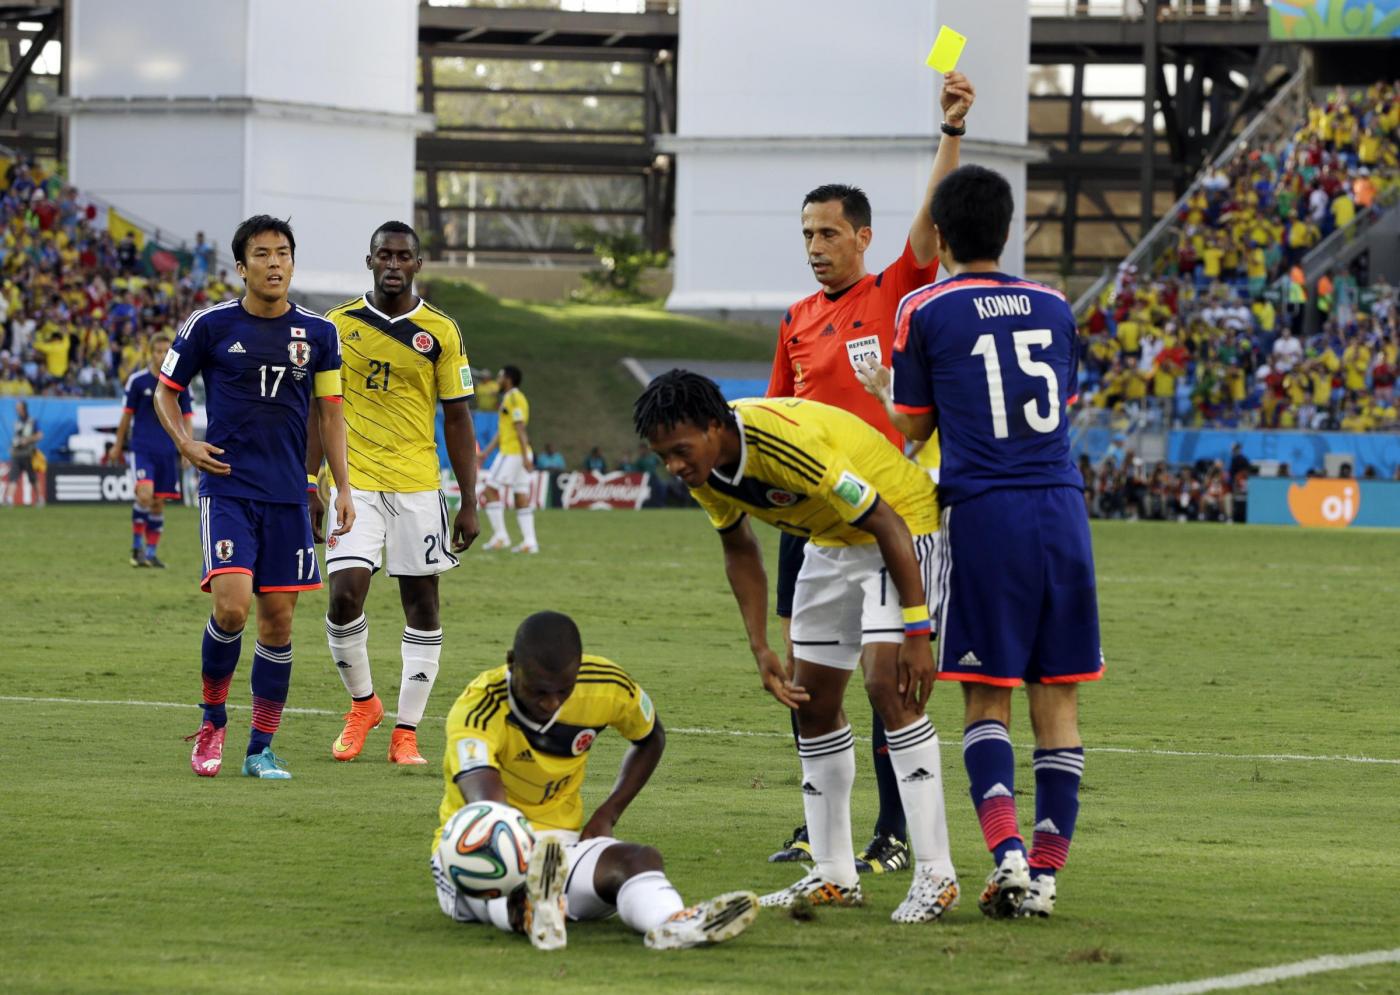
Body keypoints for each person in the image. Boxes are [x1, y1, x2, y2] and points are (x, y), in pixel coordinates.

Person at [861, 164, 1102, 920]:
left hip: (986, 513)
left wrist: (881, 390)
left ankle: (1009, 857)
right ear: (1008, 228)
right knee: (1058, 700)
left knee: (986, 696)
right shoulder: (1055, 305)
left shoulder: (924, 306)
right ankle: (1047, 877)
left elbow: (915, 425)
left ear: (939, 234)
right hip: (1062, 509)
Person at [634, 371, 958, 924]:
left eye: (681, 451)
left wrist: (917, 630)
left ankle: (936, 873)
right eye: (663, 456)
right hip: (831, 540)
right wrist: (760, 645)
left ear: (714, 427)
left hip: (901, 525)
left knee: (888, 686)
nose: (674, 467)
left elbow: (884, 520)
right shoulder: (704, 470)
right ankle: (834, 873)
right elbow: (739, 547)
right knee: (811, 701)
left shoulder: (784, 444)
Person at [764, 70, 976, 877]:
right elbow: (778, 418)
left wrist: (950, 131)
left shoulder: (893, 290)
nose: (815, 247)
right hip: (810, 523)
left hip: (888, 520)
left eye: (828, 233)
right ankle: (819, 833)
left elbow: (931, 220)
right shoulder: (795, 320)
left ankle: (892, 830)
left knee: (887, 679)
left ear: (862, 237)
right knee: (809, 682)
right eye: (807, 234)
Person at [154, 215, 355, 781]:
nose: (274, 263)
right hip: (228, 487)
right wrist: (185, 443)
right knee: (232, 607)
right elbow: (166, 393)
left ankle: (260, 749)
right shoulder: (209, 325)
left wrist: (341, 486)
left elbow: (330, 415)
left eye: (283, 253)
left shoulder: (319, 334)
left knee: (279, 623)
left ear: (292, 262)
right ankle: (212, 720)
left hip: (288, 494)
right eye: (262, 254)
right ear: (242, 268)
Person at [432, 610, 758, 951]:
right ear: (512, 663)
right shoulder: (478, 708)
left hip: (560, 848)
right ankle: (528, 908)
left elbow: (651, 737)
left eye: (564, 690)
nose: (552, 702)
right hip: (478, 849)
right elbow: (488, 806)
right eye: (539, 690)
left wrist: (608, 814)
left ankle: (672, 923)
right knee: (503, 864)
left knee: (637, 859)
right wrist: (522, 860)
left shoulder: (605, 684)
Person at [309, 221, 480, 767]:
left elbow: (458, 418)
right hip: (352, 484)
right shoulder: (337, 325)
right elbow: (320, 410)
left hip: (418, 487)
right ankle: (363, 705)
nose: (393, 264)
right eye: (384, 254)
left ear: (417, 265)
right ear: (369, 261)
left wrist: (469, 499)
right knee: (343, 597)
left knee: (422, 604)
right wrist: (308, 481)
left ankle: (406, 732)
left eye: (403, 256)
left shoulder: (441, 331)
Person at [110, 331, 191, 567]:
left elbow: (187, 416)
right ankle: (137, 549)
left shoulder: (179, 382)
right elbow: (126, 416)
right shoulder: (138, 381)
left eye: (166, 351)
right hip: (142, 448)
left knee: (158, 502)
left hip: (167, 450)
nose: (162, 355)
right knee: (145, 494)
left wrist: (187, 446)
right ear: (151, 353)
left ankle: (151, 554)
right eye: (158, 351)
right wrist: (117, 444)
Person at [478, 365, 538, 553]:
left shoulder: (514, 398)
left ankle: (501, 537)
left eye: (500, 376)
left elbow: (520, 428)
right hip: (517, 453)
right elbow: (503, 431)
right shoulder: (508, 398)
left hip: (513, 453)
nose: (498, 379)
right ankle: (530, 542)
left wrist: (525, 457)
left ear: (508, 379)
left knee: (489, 491)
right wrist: (486, 452)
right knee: (520, 497)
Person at [5, 398, 41, 505]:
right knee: (13, 477)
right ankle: (9, 499)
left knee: (33, 477)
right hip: (17, 454)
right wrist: (13, 446)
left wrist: (27, 440)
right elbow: (16, 437)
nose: (17, 410)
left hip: (28, 453)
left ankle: (40, 498)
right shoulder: (17, 422)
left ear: (24, 409)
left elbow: (40, 435)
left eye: (19, 408)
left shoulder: (32, 421)